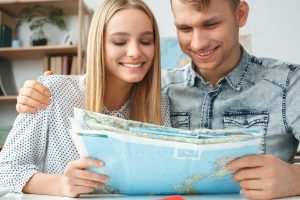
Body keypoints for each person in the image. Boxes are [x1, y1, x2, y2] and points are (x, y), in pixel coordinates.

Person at [13, 0, 300, 199]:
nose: (198, 43)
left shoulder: (289, 83)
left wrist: (295, 179)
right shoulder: (160, 88)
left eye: (211, 24)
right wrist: (39, 91)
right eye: (185, 29)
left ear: (240, 14)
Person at [0, 0, 170, 197]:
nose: (135, 52)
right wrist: (60, 185)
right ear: (99, 45)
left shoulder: (159, 103)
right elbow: (4, 171)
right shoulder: (51, 92)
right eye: (120, 42)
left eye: (146, 41)